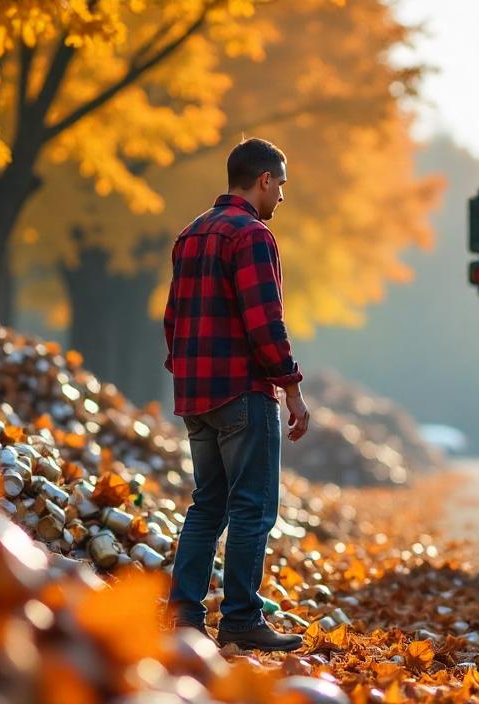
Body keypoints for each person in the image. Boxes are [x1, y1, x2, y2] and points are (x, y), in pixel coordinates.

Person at [162, 137, 311, 652]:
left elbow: (173, 317)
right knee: (252, 508)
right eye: (281, 185)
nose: (282, 199)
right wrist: (291, 385)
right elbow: (264, 320)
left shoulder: (190, 234)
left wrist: (179, 370)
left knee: (207, 505)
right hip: (242, 392)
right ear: (263, 180)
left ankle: (184, 615)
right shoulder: (252, 236)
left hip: (195, 393)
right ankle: (242, 617)